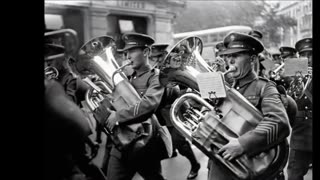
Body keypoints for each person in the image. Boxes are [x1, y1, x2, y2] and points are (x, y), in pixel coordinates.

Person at [207, 32, 290, 180]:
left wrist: (243, 144)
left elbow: (279, 122)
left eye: (236, 56)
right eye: (227, 56)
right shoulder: (224, 87)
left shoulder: (264, 86)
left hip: (250, 166)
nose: (230, 61)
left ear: (252, 58)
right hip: (220, 165)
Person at [104, 33, 170, 180]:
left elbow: (149, 104)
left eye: (132, 51)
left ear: (146, 52)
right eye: (126, 53)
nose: (127, 56)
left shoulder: (156, 77)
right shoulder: (124, 78)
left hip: (145, 144)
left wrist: (118, 116)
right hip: (121, 144)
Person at [151, 43, 201, 179]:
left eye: (160, 56)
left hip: (175, 111)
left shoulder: (173, 69)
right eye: (154, 57)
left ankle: (195, 165)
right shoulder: (153, 72)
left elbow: (181, 90)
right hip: (159, 115)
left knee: (180, 143)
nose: (157, 60)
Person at [286, 38, 312, 180]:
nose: (307, 59)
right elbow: (289, 101)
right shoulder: (296, 74)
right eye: (303, 55)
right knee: (294, 175)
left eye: (310, 55)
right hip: (301, 132)